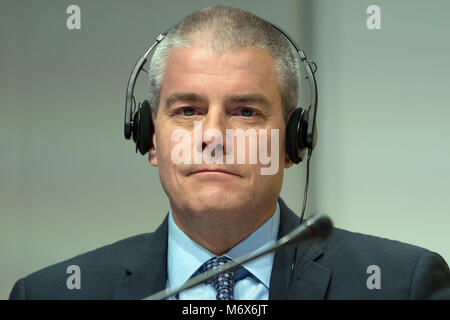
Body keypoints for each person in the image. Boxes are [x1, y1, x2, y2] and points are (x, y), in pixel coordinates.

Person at [9, 5, 450, 300]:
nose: (213, 135)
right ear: (148, 138)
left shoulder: (399, 285)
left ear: (294, 142)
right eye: (187, 110)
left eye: (244, 112)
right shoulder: (53, 293)